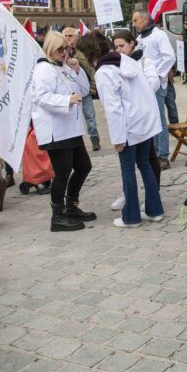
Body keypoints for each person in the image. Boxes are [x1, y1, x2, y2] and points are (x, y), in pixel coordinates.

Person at [84, 30, 164, 228]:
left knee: (128, 169)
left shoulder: (104, 72)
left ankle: (131, 217)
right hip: (144, 121)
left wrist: (118, 138)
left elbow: (113, 109)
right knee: (145, 164)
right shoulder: (124, 60)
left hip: (128, 125)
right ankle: (154, 210)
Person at [31, 31, 94, 232]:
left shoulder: (63, 67)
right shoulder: (43, 69)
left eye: (66, 48)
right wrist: (66, 100)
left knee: (84, 166)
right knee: (62, 172)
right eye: (60, 49)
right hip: (56, 130)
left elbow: (84, 90)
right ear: (50, 49)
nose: (64, 52)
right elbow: (41, 97)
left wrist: (78, 70)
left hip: (71, 128)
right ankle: (57, 217)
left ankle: (71, 205)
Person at [107, 30, 163, 211]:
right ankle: (128, 193)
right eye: (115, 47)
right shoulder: (116, 65)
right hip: (130, 119)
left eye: (122, 45)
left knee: (148, 159)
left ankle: (152, 194)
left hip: (145, 118)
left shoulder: (145, 62)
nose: (119, 50)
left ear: (132, 44)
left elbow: (152, 84)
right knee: (131, 163)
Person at [132, 10, 176, 169]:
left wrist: (157, 76)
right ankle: (155, 152)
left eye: (136, 20)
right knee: (151, 120)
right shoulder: (138, 39)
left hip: (157, 84)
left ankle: (163, 156)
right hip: (145, 86)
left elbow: (169, 57)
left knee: (159, 120)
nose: (134, 23)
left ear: (145, 20)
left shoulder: (159, 35)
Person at [62, 27, 101, 152]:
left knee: (90, 117)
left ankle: (95, 139)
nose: (68, 38)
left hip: (85, 91)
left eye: (70, 35)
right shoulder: (61, 53)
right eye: (66, 36)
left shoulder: (82, 52)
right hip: (71, 94)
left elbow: (91, 69)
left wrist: (93, 87)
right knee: (74, 118)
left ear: (76, 37)